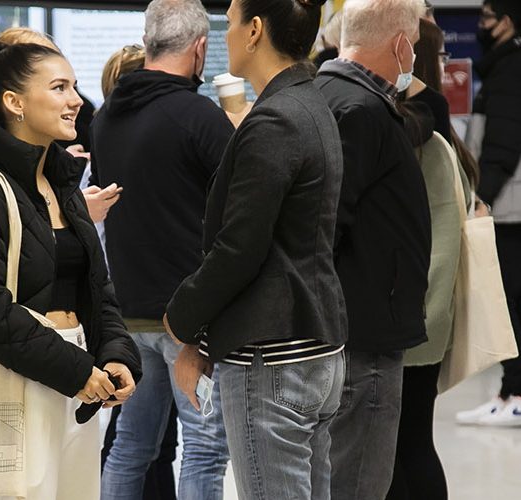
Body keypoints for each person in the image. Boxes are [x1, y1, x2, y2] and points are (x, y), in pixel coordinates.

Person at [0, 40, 141, 500]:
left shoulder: (64, 185)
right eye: (59, 87)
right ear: (14, 103)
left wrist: (115, 354)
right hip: (22, 382)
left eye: (74, 86)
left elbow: (97, 289)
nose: (76, 99)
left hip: (79, 383)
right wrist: (76, 370)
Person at [164, 0, 346, 498]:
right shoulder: (310, 103)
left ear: (255, 30)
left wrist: (182, 320)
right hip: (315, 345)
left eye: (232, 17)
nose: (224, 31)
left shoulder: (275, 120)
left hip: (274, 358)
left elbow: (240, 248)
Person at [92, 1, 233, 498]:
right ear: (200, 50)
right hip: (189, 319)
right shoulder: (201, 118)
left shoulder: (107, 117)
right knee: (203, 448)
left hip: (129, 311)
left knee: (131, 444)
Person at [314, 0, 432, 498]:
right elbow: (325, 225)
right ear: (402, 45)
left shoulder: (327, 93)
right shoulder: (360, 110)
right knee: (360, 482)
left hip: (348, 328)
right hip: (362, 334)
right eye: (416, 48)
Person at [386, 17, 483, 500]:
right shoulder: (445, 140)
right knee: (413, 441)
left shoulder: (414, 138)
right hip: (429, 315)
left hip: (411, 314)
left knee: (401, 447)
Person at [455, 0, 521, 427]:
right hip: (510, 205)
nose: (480, 26)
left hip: (512, 208)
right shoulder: (503, 66)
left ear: (507, 23)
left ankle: (515, 393)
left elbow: (501, 145)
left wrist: (484, 201)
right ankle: (508, 390)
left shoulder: (510, 69)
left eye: (486, 18)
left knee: (512, 303)